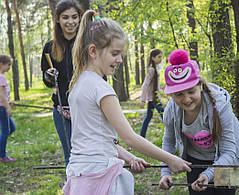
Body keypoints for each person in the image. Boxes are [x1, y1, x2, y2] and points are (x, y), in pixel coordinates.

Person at [63, 10, 192, 195]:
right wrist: (170, 159)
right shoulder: (101, 89)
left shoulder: (78, 84)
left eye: (120, 54)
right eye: (115, 53)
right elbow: (129, 137)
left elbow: (98, 139)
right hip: (100, 174)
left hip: (81, 172)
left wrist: (130, 158)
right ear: (93, 51)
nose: (120, 60)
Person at [159, 49, 239, 195]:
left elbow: (229, 151)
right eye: (179, 94)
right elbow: (168, 141)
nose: (186, 99)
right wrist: (165, 171)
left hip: (229, 159)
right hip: (196, 160)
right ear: (172, 94)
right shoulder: (171, 110)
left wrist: (209, 174)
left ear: (200, 86)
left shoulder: (220, 105)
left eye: (191, 91)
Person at [40, 0, 83, 166]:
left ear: (79, 19)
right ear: (57, 19)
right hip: (61, 110)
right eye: (65, 17)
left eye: (74, 17)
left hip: (86, 110)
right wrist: (49, 76)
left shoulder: (88, 44)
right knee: (70, 157)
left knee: (88, 154)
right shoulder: (49, 48)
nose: (70, 21)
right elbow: (47, 82)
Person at [140, 49, 164, 138]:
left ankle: (142, 137)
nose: (161, 59)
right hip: (154, 98)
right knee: (165, 117)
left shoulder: (154, 69)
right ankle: (173, 135)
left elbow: (155, 85)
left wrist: (162, 92)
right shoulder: (152, 70)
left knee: (148, 117)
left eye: (161, 56)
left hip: (153, 97)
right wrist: (142, 99)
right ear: (153, 58)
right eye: (159, 57)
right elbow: (146, 84)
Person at [0, 54, 16, 162]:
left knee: (12, 128)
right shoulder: (1, 77)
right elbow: (0, 93)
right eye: (8, 65)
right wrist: (7, 107)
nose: (9, 67)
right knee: (6, 130)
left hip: (3, 105)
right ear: (1, 63)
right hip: (2, 108)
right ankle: (2, 156)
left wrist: (8, 102)